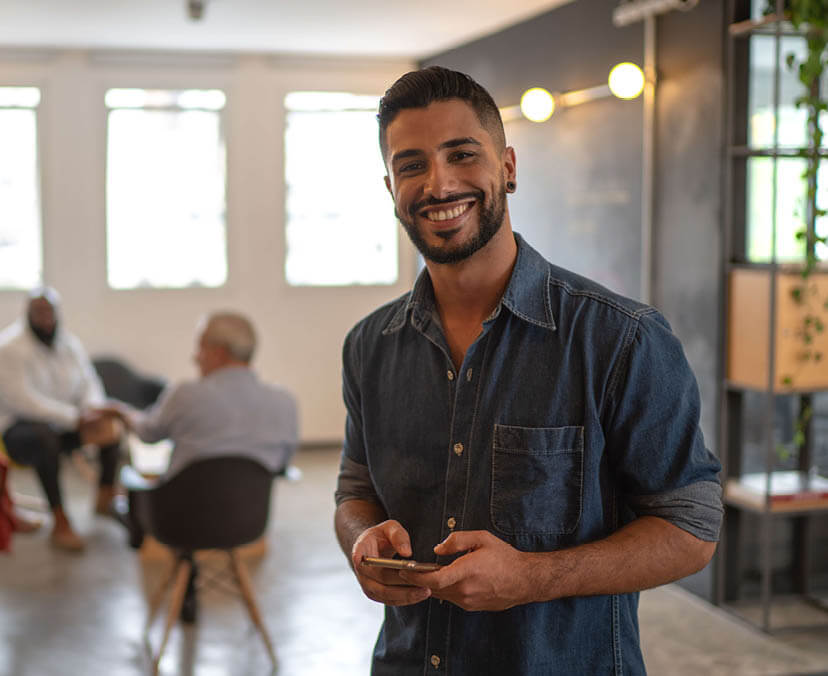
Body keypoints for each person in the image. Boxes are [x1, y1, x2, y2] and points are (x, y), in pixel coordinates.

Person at [333, 66, 723, 675]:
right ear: (390, 188)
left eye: (462, 154)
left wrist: (533, 577)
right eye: (411, 165)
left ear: (508, 167)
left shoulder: (621, 338)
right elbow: (355, 491)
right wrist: (361, 540)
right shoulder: (369, 346)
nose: (438, 183)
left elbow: (690, 527)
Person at [107, 310, 298, 487]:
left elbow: (148, 434)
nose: (195, 358)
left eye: (200, 348)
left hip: (178, 514)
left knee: (127, 483)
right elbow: (282, 465)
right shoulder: (285, 402)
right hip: (250, 519)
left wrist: (122, 413)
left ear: (218, 353)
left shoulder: (185, 394)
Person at [0, 287, 122, 552]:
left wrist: (93, 410)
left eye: (50, 312)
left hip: (67, 422)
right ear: (28, 313)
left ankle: (105, 498)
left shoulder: (69, 344)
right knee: (44, 439)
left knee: (111, 425)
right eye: (39, 312)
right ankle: (60, 519)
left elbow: (89, 382)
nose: (45, 318)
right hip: (19, 429)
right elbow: (23, 401)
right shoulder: (9, 348)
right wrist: (74, 418)